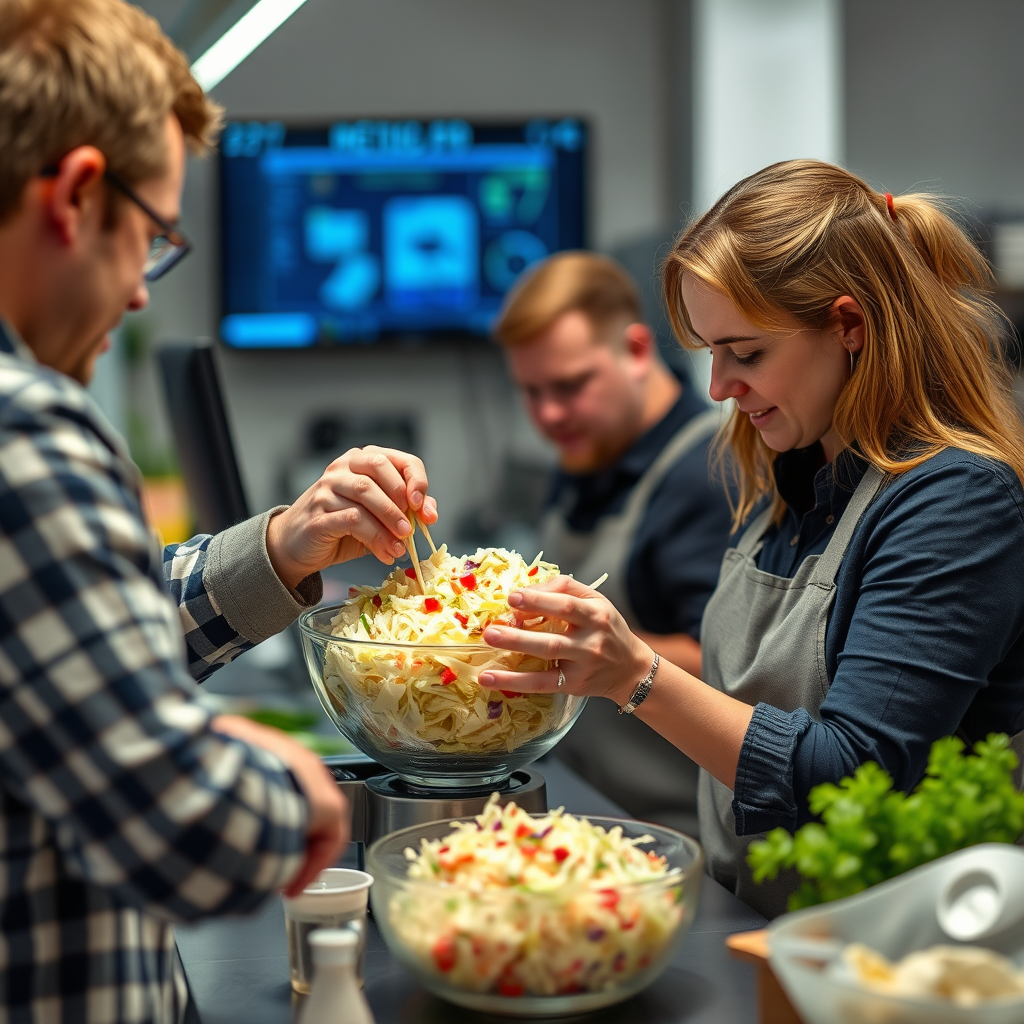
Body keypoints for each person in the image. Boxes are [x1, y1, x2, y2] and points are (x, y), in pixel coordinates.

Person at [0, 1, 436, 1019]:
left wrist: (282, 548)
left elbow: (64, 636)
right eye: (154, 236)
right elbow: (192, 832)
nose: (145, 293)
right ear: (74, 197)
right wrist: (285, 774)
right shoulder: (28, 432)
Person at [480, 159, 1024, 918]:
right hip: (762, 919)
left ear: (850, 325)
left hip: (890, 954)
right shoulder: (787, 474)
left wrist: (634, 673)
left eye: (747, 353)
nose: (718, 387)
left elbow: (849, 773)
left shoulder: (954, 502)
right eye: (710, 352)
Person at [493, 252, 733, 834]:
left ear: (636, 350)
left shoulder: (706, 473)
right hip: (592, 807)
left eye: (571, 385)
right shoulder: (589, 447)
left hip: (680, 832)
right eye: (531, 392)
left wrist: (600, 653)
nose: (550, 414)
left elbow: (737, 667)